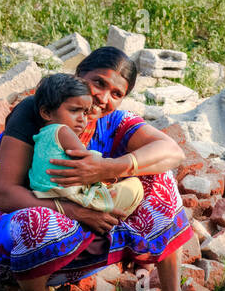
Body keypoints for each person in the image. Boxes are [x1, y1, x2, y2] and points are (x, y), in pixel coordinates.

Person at [0, 46, 213, 291]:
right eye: (98, 82)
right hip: (8, 250)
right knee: (36, 220)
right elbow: (5, 196)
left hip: (80, 243)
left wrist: (109, 168)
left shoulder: (114, 122)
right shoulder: (38, 112)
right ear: (78, 74)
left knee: (158, 178)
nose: (103, 97)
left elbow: (172, 151)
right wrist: (76, 212)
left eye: (116, 93)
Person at [28, 73, 144, 218]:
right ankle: (108, 230)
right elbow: (91, 163)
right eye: (74, 110)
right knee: (135, 186)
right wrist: (110, 173)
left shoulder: (40, 135)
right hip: (72, 200)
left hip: (44, 198)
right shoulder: (63, 131)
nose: (82, 119)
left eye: (85, 112)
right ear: (46, 112)